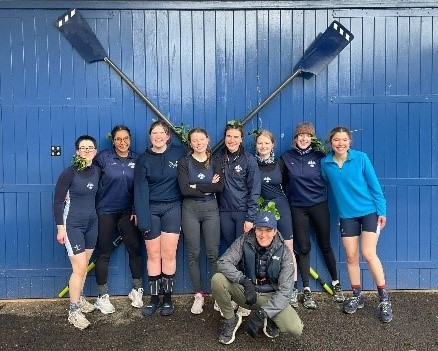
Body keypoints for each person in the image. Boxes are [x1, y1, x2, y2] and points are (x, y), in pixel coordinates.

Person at [321, 126, 393, 323]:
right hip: (347, 216)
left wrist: (382, 211)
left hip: (369, 212)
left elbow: (375, 186)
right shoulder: (325, 164)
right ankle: (357, 295)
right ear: (331, 142)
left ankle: (384, 299)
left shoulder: (361, 158)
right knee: (351, 256)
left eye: (344, 140)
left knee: (369, 254)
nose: (341, 143)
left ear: (349, 142)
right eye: (336, 140)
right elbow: (325, 181)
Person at [211, 211, 303, 345]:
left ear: (275, 231)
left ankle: (270, 318)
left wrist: (264, 313)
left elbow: (285, 291)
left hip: (270, 296)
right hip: (247, 292)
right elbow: (223, 262)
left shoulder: (284, 252)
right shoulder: (244, 240)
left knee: (296, 329)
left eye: (268, 230)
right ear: (254, 229)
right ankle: (231, 320)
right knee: (217, 280)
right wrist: (243, 281)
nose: (263, 234)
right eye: (259, 229)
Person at [281, 122, 344, 309]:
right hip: (297, 208)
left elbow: (336, 175)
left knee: (325, 245)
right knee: (304, 248)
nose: (304, 138)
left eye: (307, 135)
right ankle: (306, 290)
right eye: (300, 135)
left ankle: (336, 283)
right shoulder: (286, 157)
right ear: (295, 138)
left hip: (319, 205)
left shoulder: (320, 157)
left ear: (312, 138)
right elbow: (279, 182)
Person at [134, 120, 186, 317]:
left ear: (168, 136)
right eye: (154, 133)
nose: (158, 136)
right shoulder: (143, 159)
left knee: (169, 254)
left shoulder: (179, 153)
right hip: (151, 209)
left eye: (161, 133)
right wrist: (142, 217)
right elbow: (139, 189)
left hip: (173, 207)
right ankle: (154, 299)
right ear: (150, 137)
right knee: (154, 255)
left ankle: (168, 299)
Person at [93, 125, 143, 314]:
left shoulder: (137, 159)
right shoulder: (103, 158)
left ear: (130, 139)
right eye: (118, 139)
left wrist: (136, 209)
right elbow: (90, 180)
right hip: (105, 211)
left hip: (127, 212)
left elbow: (141, 187)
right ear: (113, 141)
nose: (123, 142)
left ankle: (136, 290)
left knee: (135, 250)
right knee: (104, 252)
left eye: (126, 139)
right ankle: (102, 296)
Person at [214, 122, 261, 317]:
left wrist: (251, 216)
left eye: (235, 137)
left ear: (241, 139)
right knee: (230, 255)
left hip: (243, 213)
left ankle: (246, 298)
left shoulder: (249, 160)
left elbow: (255, 190)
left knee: (246, 255)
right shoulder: (218, 158)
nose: (232, 140)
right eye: (229, 137)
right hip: (224, 212)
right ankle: (232, 296)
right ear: (225, 138)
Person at [53, 135, 100, 330]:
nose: (87, 150)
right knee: (79, 268)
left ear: (95, 152)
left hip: (92, 223)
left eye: (90, 147)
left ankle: (79, 299)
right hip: (73, 225)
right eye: (83, 147)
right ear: (77, 151)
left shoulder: (97, 171)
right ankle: (73, 311)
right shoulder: (69, 173)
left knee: (85, 265)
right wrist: (60, 228)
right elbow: (57, 201)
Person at [177, 128, 224, 314]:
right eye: (194, 140)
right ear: (190, 143)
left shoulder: (216, 161)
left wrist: (196, 185)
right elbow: (184, 190)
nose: (198, 143)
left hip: (211, 209)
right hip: (190, 210)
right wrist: (208, 187)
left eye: (201, 139)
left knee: (213, 254)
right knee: (193, 254)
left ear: (208, 140)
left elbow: (219, 187)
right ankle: (198, 295)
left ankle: (218, 296)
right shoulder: (184, 161)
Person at [254, 130, 298, 306]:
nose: (263, 146)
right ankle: (267, 287)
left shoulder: (281, 163)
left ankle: (292, 288)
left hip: (281, 205)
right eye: (260, 143)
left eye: (267, 143)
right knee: (263, 247)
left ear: (272, 145)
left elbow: (288, 183)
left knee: (287, 247)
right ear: (255, 146)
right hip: (262, 208)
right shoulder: (251, 164)